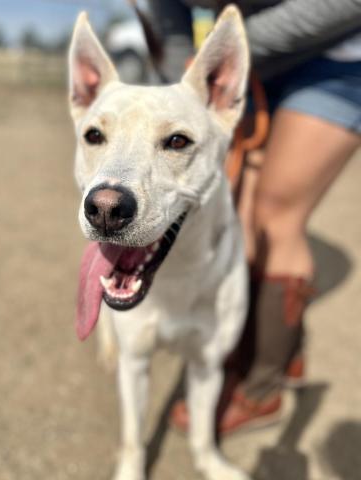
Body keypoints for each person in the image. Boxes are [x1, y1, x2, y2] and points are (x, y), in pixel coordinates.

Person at [146, 0, 361, 434]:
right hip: (251, 62)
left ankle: (263, 390)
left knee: (275, 216)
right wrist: (182, 90)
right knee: (239, 211)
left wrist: (231, 49)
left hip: (339, 57)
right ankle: (278, 348)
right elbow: (169, 16)